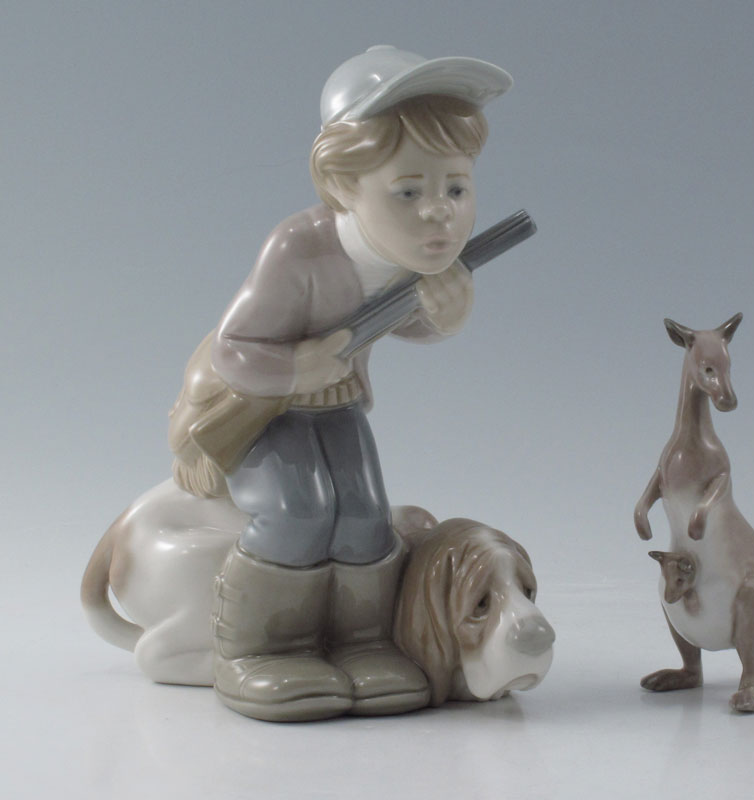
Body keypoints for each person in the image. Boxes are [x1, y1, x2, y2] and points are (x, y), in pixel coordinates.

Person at [181, 46, 512, 721]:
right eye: (408, 191)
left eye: (456, 189)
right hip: (265, 409)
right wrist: (296, 369)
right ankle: (256, 649)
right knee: (297, 512)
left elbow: (401, 322)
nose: (439, 212)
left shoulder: (408, 253)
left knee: (364, 515)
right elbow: (234, 346)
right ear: (341, 184)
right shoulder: (297, 249)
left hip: (338, 405)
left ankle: (362, 644)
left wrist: (444, 314)